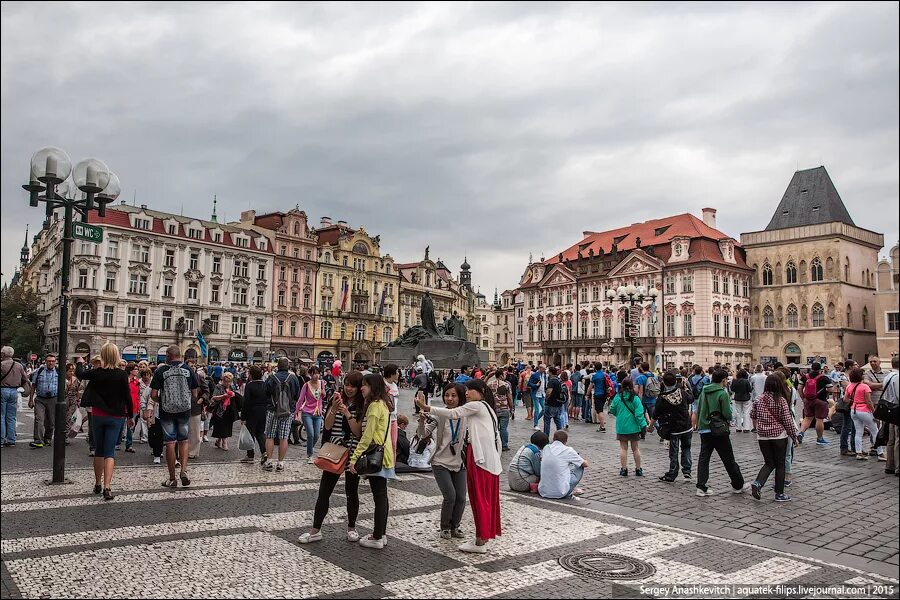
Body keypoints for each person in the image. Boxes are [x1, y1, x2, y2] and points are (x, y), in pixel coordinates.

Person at [416, 379, 501, 554]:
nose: (467, 393)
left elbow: (455, 414)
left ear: (481, 391)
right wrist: (423, 419)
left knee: (472, 498)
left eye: (469, 390)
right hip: (463, 460)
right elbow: (425, 432)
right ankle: (469, 533)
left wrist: (426, 407)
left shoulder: (475, 407)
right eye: (466, 390)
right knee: (464, 497)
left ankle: (478, 539)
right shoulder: (485, 409)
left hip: (476, 459)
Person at [298, 371, 364, 544]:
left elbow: (358, 431)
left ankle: (351, 527)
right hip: (334, 451)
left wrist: (347, 412)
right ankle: (315, 530)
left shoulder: (362, 405)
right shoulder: (335, 401)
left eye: (353, 385)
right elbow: (327, 426)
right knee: (324, 492)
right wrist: (334, 409)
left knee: (352, 492)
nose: (348, 389)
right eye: (346, 384)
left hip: (352, 453)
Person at [75, 344, 132, 501]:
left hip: (99, 415)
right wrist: (131, 416)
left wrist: (80, 361)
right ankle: (107, 487)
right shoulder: (122, 374)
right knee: (110, 452)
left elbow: (80, 373)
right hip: (116, 416)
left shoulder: (96, 372)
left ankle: (97, 483)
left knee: (99, 450)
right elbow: (127, 396)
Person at [349, 374, 396, 550]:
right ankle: (380, 534)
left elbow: (367, 436)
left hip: (377, 457)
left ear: (373, 387)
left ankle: (377, 537)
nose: (362, 388)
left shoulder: (375, 407)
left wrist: (354, 459)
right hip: (385, 455)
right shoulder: (382, 404)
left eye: (365, 385)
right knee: (381, 496)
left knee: (379, 497)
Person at [417, 383, 469, 539]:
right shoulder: (439, 414)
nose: (450, 399)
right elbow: (423, 434)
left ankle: (455, 526)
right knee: (450, 496)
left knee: (461, 498)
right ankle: (445, 527)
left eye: (453, 395)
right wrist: (421, 422)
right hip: (440, 461)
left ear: (460, 397)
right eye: (447, 395)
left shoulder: (467, 414)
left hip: (460, 461)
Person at [695, 369, 751, 497]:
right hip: (718, 429)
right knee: (728, 458)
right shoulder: (722, 393)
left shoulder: (704, 390)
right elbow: (727, 413)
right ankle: (738, 484)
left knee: (704, 458)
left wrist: (700, 423)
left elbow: (699, 408)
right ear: (723, 380)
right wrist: (730, 417)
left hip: (705, 428)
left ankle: (701, 486)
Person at [150, 345, 200, 488]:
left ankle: (172, 478)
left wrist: (162, 400)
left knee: (170, 443)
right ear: (179, 355)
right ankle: (183, 471)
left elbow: (153, 395)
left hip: (167, 412)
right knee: (183, 441)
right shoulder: (189, 370)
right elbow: (195, 394)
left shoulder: (161, 371)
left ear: (168, 355)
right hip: (184, 411)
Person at [749, 375, 799, 502]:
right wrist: (794, 436)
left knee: (769, 462)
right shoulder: (781, 400)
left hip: (762, 436)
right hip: (778, 436)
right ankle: (779, 493)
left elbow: (752, 414)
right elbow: (787, 421)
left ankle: (758, 482)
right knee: (780, 464)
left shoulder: (758, 399)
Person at [654, 371, 694, 482]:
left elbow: (655, 414)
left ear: (664, 383)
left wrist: (651, 425)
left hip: (673, 428)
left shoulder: (662, 398)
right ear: (676, 381)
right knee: (686, 448)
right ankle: (687, 471)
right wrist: (686, 387)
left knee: (674, 452)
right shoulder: (682, 392)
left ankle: (672, 473)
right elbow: (691, 399)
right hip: (686, 426)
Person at [263, 358, 301, 472]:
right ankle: (280, 463)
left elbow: (265, 393)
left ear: (277, 366)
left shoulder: (271, 377)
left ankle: (269, 461)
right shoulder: (293, 378)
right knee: (284, 437)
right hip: (287, 411)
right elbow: (297, 396)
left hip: (273, 410)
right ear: (288, 366)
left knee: (269, 435)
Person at [609, 377, 646, 477]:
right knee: (635, 448)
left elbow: (612, 409)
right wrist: (643, 425)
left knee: (623, 448)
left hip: (621, 426)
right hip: (634, 426)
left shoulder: (618, 397)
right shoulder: (635, 398)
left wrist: (619, 414)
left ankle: (624, 469)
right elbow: (639, 414)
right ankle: (638, 469)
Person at [538, 430, 588, 500]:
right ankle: (571, 489)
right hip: (560, 492)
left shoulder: (546, 448)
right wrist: (584, 460)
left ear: (553, 439)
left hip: (543, 491)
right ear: (566, 441)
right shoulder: (568, 450)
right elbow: (585, 464)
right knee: (579, 466)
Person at [845, 367, 879, 460]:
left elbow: (845, 399)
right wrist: (874, 412)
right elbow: (868, 401)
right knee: (875, 431)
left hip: (854, 410)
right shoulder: (865, 386)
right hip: (864, 410)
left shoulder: (849, 386)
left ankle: (859, 453)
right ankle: (880, 453)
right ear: (860, 376)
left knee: (858, 432)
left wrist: (854, 400)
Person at [28, 354, 60, 448]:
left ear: (55, 362)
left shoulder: (59, 372)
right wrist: (30, 399)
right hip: (40, 399)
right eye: (49, 361)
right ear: (45, 362)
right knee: (39, 419)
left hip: (53, 399)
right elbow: (33, 385)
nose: (51, 363)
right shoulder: (39, 371)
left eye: (53, 361)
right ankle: (38, 440)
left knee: (51, 422)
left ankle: (47, 438)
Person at [798, 362, 833, 446]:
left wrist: (803, 398)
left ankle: (801, 433)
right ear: (820, 369)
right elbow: (830, 389)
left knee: (807, 418)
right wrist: (826, 395)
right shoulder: (824, 378)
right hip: (820, 400)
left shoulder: (805, 377)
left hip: (807, 400)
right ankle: (819, 439)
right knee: (819, 419)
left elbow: (799, 388)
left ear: (811, 368)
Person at [1, 346, 30, 447]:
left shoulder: (1, 365)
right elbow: (25, 378)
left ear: (3, 354)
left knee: (1, 416)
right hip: (14, 391)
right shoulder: (19, 365)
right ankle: (11, 439)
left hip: (3, 390)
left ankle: (1, 439)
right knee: (12, 417)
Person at [296, 365, 325, 464]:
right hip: (307, 412)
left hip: (318, 413)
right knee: (310, 434)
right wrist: (296, 412)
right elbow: (300, 399)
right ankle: (310, 455)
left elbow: (323, 396)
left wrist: (323, 392)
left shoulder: (322, 383)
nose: (316, 376)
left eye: (318, 373)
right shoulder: (306, 385)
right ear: (310, 374)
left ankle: (310, 448)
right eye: (314, 373)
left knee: (317, 435)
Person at [239, 365, 269, 464]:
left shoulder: (250, 385)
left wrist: (243, 416)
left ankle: (250, 455)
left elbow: (246, 402)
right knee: (260, 433)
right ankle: (264, 452)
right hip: (263, 411)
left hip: (252, 412)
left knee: (250, 433)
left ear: (251, 375)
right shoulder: (265, 384)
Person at [863, 356, 888, 460]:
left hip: (885, 402)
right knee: (875, 425)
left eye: (875, 361)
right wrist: (883, 384)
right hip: (873, 402)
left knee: (886, 424)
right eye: (871, 361)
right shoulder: (867, 374)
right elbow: (869, 385)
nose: (873, 363)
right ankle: (875, 446)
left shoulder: (887, 373)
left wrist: (876, 385)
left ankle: (884, 442)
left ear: (879, 362)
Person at [210, 372, 239, 451]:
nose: (227, 383)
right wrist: (223, 396)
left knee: (226, 426)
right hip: (220, 410)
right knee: (222, 426)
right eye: (225, 381)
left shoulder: (231, 387)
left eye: (229, 381)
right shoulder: (218, 386)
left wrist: (234, 395)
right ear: (222, 380)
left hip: (229, 409)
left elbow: (236, 396)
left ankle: (218, 440)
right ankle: (224, 443)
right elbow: (214, 397)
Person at [139, 368, 163, 465]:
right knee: (153, 435)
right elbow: (147, 400)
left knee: (163, 436)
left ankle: (159, 453)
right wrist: (146, 413)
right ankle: (155, 450)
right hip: (154, 414)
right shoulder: (151, 388)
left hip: (166, 415)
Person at [882, 355, 899, 476]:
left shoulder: (888, 376)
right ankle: (898, 467)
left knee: (891, 439)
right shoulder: (897, 377)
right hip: (897, 408)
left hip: (889, 409)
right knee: (898, 439)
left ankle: (890, 465)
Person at [488, 370, 512, 451]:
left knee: (494, 428)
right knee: (503, 428)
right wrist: (512, 408)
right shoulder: (506, 385)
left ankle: (494, 444)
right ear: (501, 375)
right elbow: (509, 398)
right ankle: (504, 445)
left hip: (493, 409)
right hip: (504, 409)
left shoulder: (490, 384)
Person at [635, 362, 660, 435]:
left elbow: (640, 391)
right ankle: (660, 431)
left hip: (644, 400)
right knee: (653, 417)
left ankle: (642, 433)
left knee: (642, 416)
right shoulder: (654, 376)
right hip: (652, 399)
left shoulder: (640, 378)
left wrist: (639, 400)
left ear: (641, 368)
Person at [587, 365, 612, 433]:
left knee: (599, 411)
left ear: (595, 368)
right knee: (601, 409)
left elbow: (590, 386)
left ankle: (603, 427)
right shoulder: (605, 374)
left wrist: (587, 394)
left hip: (598, 394)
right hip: (604, 394)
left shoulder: (595, 376)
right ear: (601, 368)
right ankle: (601, 425)